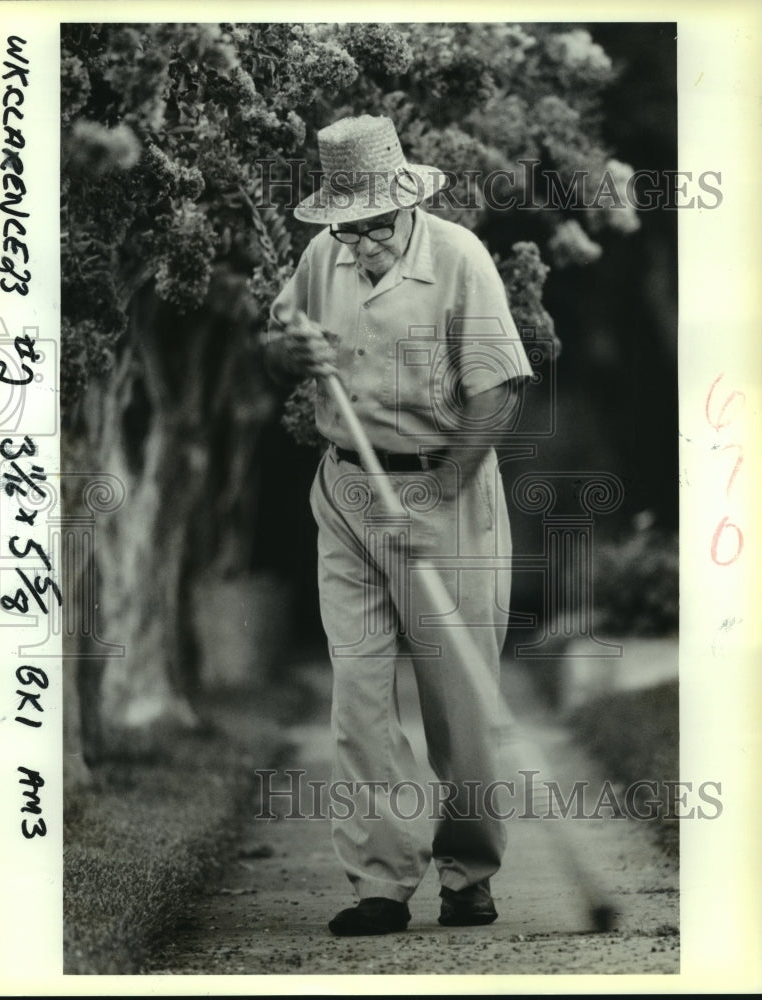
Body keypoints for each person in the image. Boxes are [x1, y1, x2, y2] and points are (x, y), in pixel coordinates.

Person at [264, 115, 534, 936]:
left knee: (458, 703)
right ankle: (380, 882)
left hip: (443, 491)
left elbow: (499, 391)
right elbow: (277, 338)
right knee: (357, 698)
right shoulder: (323, 255)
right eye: (346, 230)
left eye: (373, 229)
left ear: (405, 208)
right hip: (346, 490)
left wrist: (440, 490)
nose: (359, 246)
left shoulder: (458, 260)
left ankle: (468, 874)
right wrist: (289, 350)